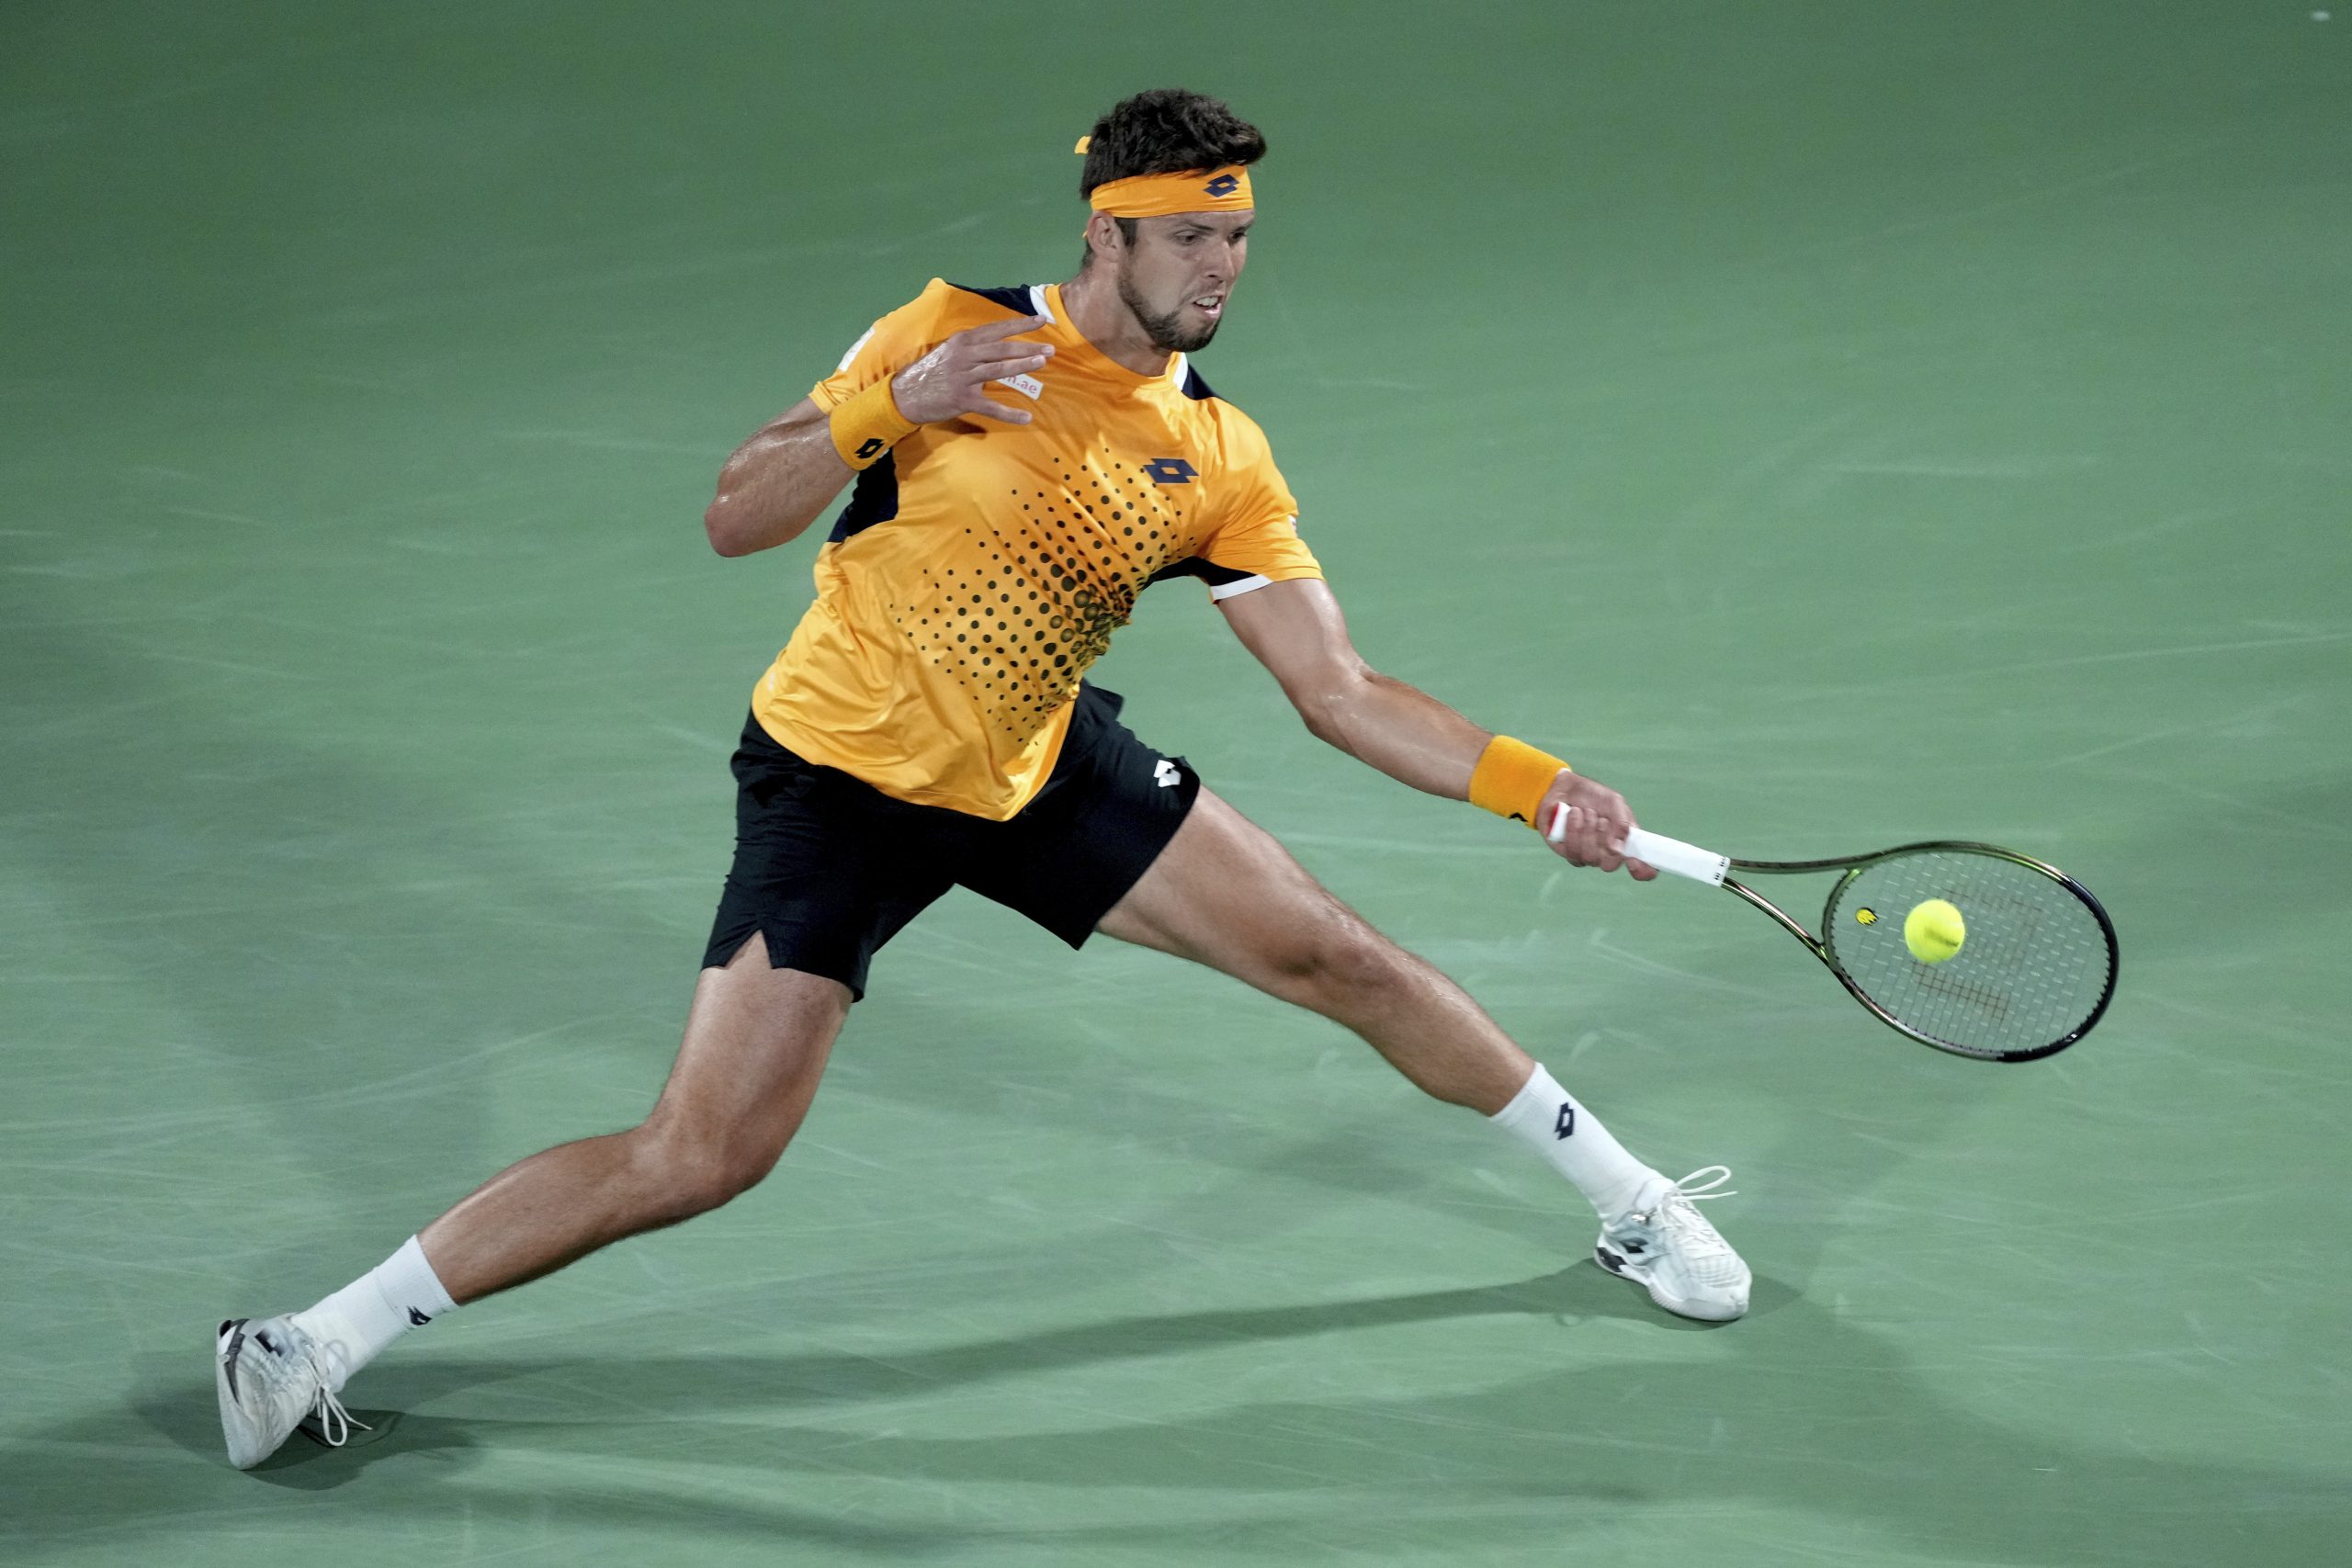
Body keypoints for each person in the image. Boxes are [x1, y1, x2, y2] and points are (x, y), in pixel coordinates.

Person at [215, 86, 1748, 1472]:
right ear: (1109, 233)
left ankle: (1629, 1199)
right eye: (1192, 238)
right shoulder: (949, 331)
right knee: (701, 1155)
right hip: (840, 785)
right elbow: (736, 516)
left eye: (1241, 237)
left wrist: (1533, 785)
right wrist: (897, 401)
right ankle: (309, 1346)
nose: (1223, 267)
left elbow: (1337, 692)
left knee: (1339, 954)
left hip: (1033, 770)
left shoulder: (1217, 452)